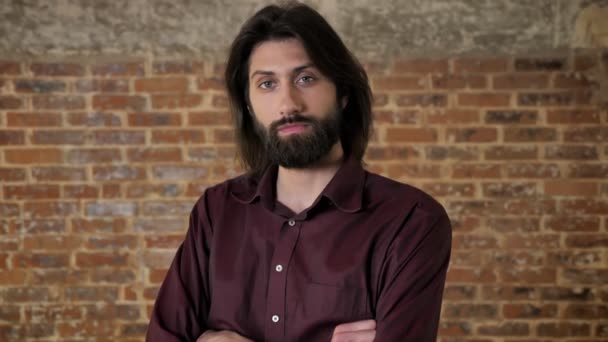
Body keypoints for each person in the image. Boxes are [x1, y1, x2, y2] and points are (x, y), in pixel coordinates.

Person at [146, 2, 451, 341]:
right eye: (266, 84)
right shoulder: (216, 211)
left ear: (343, 92)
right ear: (248, 104)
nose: (288, 104)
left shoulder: (411, 221)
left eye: (306, 78)